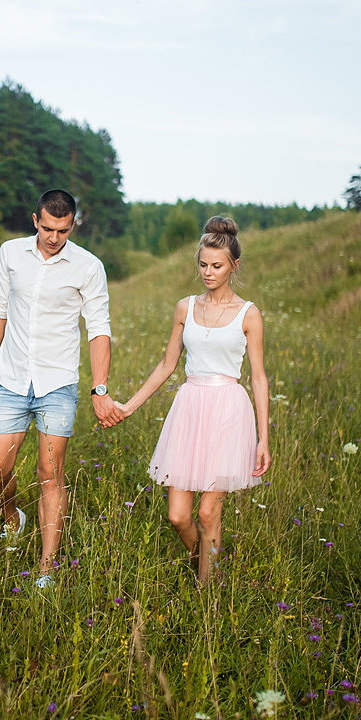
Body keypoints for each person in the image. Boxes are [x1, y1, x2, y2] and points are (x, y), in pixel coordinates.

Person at [0, 189, 125, 589]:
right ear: (35, 219)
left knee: (49, 474)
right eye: (48, 228)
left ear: (73, 225)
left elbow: (99, 329)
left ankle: (45, 570)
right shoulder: (10, 254)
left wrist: (100, 388)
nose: (55, 237)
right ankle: (12, 518)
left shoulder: (89, 267)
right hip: (10, 377)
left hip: (57, 383)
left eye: (63, 230)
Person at [114, 216, 271, 584]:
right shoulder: (185, 307)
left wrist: (264, 438)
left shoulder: (249, 314)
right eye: (202, 264)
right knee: (178, 516)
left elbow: (259, 378)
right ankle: (209, 561)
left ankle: (207, 591)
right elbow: (168, 364)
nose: (208, 272)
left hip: (229, 410)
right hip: (189, 408)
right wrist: (128, 406)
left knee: (207, 514)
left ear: (233, 265)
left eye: (216, 266)